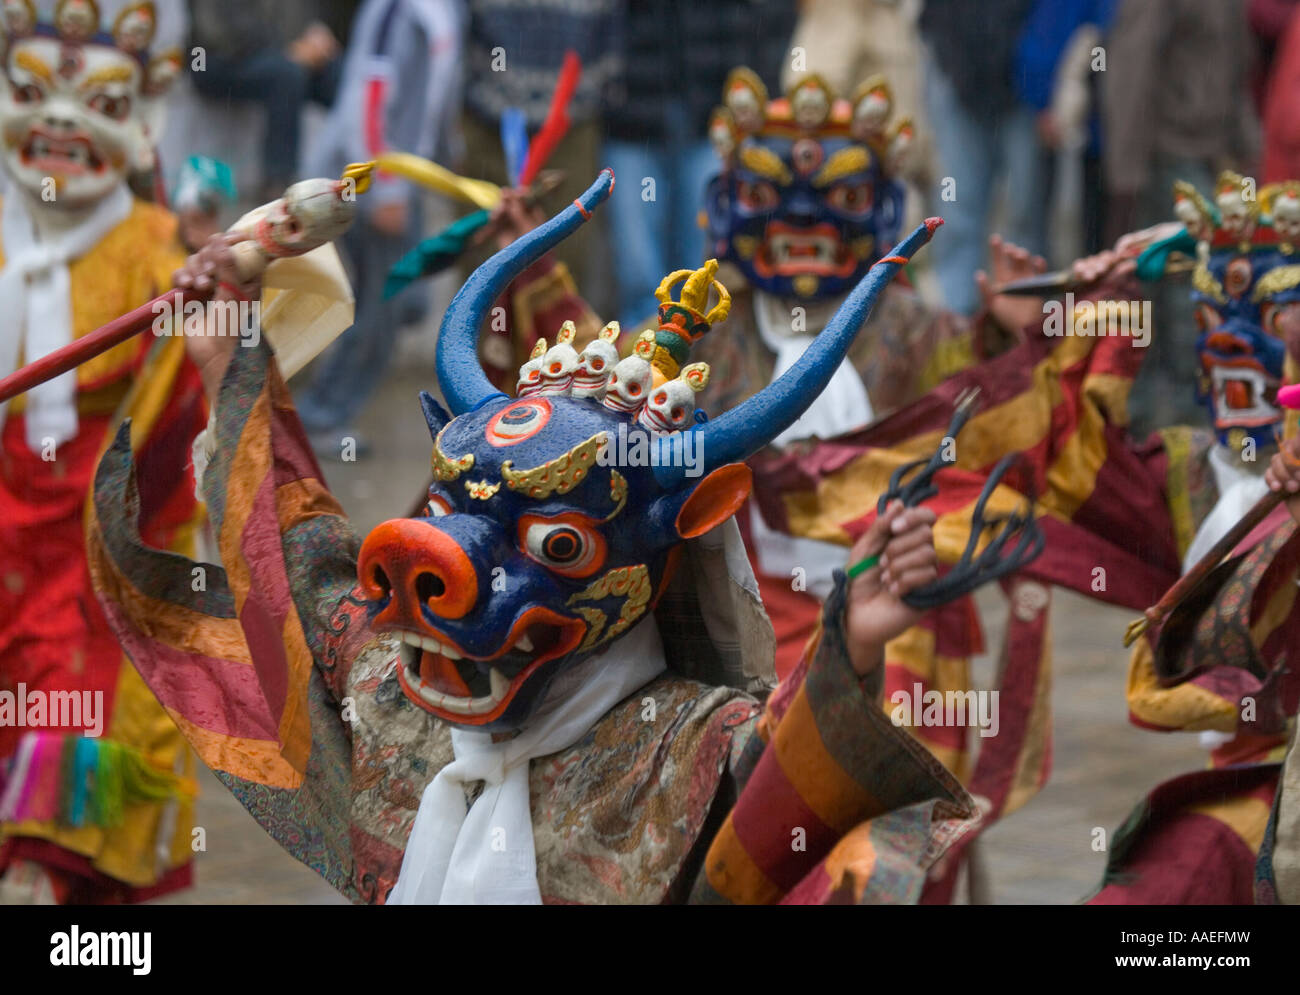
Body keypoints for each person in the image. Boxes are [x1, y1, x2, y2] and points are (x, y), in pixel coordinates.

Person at [88, 178, 982, 905]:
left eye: (554, 545)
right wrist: (228, 354)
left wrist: (853, 641)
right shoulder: (401, 700)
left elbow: (780, 791)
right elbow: (303, 563)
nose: (447, 568)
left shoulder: (680, 745)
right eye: (451, 514)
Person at [0, 0, 205, 904]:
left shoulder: (159, 258)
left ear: (144, 124)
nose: (60, 125)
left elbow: (189, 426)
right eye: (31, 94)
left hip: (92, 557)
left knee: (76, 804)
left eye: (100, 106)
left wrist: (215, 308)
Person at [293, 0, 465, 458]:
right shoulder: (397, 12)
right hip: (364, 179)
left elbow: (435, 97)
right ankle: (319, 418)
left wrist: (447, 158)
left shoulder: (446, 12)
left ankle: (321, 406)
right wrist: (383, 192)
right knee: (384, 304)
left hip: (403, 182)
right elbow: (369, 99)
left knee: (409, 300)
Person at [187, 0, 343, 199]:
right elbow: (219, 34)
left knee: (337, 71)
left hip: (272, 54)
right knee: (287, 75)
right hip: (207, 60)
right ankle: (279, 185)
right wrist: (289, 51)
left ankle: (356, 176)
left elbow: (301, 16)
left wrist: (316, 36)